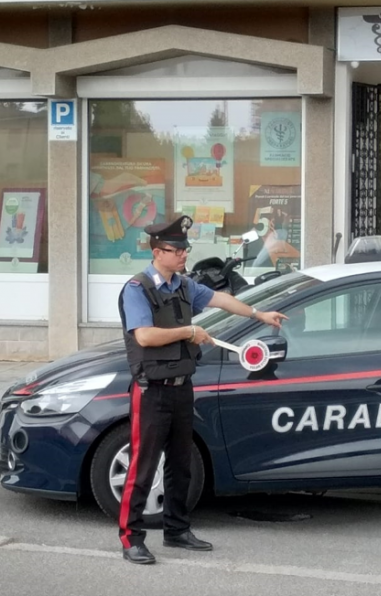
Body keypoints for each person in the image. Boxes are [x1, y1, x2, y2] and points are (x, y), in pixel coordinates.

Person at [116, 214, 287, 564]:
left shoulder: (183, 285)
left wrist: (258, 314)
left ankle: (177, 530)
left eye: (185, 249)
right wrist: (189, 332)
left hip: (182, 387)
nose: (184, 254)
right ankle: (131, 538)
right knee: (143, 467)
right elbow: (145, 336)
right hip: (151, 391)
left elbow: (221, 300)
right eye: (177, 250)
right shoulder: (137, 289)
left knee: (181, 464)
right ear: (158, 252)